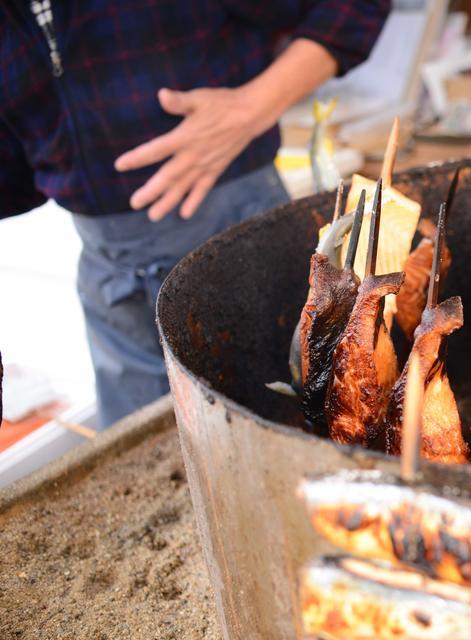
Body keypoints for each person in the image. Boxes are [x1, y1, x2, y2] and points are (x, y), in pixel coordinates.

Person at [0, 1, 389, 427]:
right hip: (110, 280)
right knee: (144, 461)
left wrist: (254, 105)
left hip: (238, 244)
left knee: (288, 433)